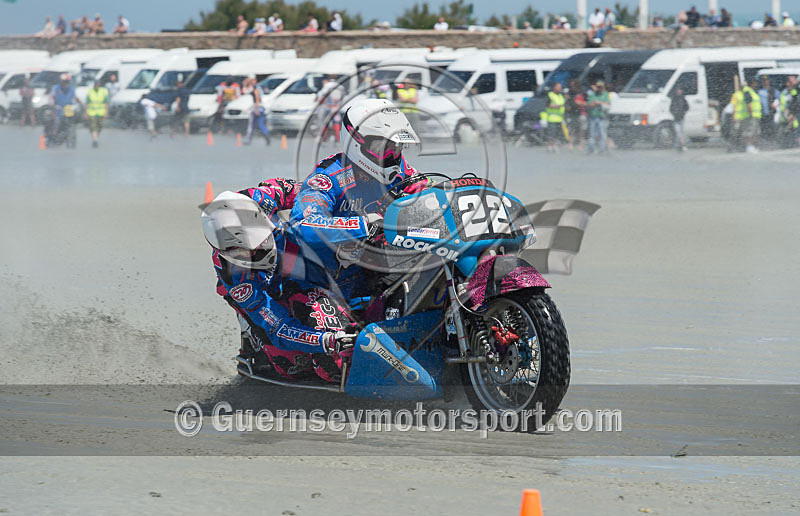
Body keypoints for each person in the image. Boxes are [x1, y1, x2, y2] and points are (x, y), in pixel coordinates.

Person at [202, 182, 358, 383]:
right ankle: (252, 336)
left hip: (298, 260)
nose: (260, 254)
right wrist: (326, 341)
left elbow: (317, 191)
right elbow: (278, 327)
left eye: (261, 242)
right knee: (295, 367)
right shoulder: (236, 280)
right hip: (265, 292)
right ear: (225, 252)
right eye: (246, 253)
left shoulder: (264, 197)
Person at [289, 98, 427, 303]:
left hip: (375, 277)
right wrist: (364, 225)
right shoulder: (329, 177)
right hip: (324, 287)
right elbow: (301, 226)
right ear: (356, 141)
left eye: (396, 147)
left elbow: (430, 193)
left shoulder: (402, 171)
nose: (392, 155)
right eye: (382, 147)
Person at [49, 74, 83, 146]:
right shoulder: (56, 88)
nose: (66, 84)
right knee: (56, 122)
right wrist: (52, 105)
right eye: (64, 82)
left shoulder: (72, 89)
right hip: (58, 109)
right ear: (61, 81)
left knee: (71, 123)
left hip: (68, 109)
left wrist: (80, 103)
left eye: (67, 82)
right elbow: (52, 97)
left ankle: (70, 137)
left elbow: (76, 98)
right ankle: (53, 136)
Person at [730, 78, 762, 153]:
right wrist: (750, 113)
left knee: (754, 132)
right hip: (748, 116)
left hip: (753, 115)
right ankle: (748, 147)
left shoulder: (751, 91)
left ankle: (752, 146)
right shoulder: (747, 91)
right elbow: (748, 103)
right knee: (748, 132)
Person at [244, 77, 270, 145]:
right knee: (261, 124)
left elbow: (257, 98)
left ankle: (248, 140)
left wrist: (256, 109)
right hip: (260, 107)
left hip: (257, 108)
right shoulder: (259, 88)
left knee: (251, 125)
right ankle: (267, 137)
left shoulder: (255, 89)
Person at [587, 80, 610, 154]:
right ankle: (591, 149)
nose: (599, 88)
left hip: (602, 117)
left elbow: (608, 103)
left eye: (601, 87)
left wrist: (599, 102)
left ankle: (601, 150)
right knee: (592, 134)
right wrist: (594, 103)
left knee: (602, 134)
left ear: (603, 87)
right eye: (598, 87)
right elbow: (589, 104)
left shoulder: (605, 94)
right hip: (593, 117)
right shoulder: (592, 94)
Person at [85, 79, 109, 148]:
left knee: (99, 127)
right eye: (95, 84)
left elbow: (106, 103)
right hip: (92, 113)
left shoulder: (103, 91)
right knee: (93, 127)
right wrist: (86, 113)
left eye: (97, 84)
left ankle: (96, 138)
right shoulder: (90, 92)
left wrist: (106, 112)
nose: (96, 85)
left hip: (101, 113)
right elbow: (87, 103)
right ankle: (95, 140)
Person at [543, 81, 566, 152]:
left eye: (560, 87)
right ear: (554, 87)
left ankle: (552, 145)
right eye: (558, 87)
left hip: (559, 118)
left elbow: (563, 105)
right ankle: (551, 145)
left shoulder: (561, 95)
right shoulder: (550, 95)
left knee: (557, 134)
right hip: (552, 118)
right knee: (552, 133)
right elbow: (547, 104)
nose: (560, 88)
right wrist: (556, 106)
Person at [758, 75, 780, 146]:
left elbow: (781, 99)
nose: (765, 82)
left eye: (766, 80)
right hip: (762, 114)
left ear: (769, 81)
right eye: (763, 80)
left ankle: (772, 144)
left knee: (771, 129)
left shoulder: (773, 90)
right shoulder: (759, 91)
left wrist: (776, 105)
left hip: (771, 114)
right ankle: (765, 144)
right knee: (763, 129)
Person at [565, 79, 586, 151]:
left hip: (581, 113)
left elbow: (587, 102)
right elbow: (567, 102)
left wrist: (580, 103)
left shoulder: (582, 92)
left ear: (577, 85)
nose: (572, 86)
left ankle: (581, 144)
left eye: (573, 85)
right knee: (572, 129)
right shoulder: (569, 92)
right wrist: (568, 105)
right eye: (571, 85)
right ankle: (571, 143)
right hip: (572, 113)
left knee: (581, 130)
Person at [670, 86, 689, 152]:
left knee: (680, 132)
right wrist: (674, 113)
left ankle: (679, 145)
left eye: (680, 90)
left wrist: (683, 113)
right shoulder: (674, 99)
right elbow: (671, 108)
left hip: (681, 118)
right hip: (676, 118)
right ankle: (681, 145)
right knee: (678, 132)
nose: (679, 91)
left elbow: (687, 107)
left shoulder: (683, 98)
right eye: (678, 90)